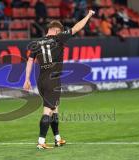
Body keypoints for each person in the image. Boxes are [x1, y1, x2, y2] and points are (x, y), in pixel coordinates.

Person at [23, 10, 95, 149]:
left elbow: (30, 61)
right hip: (53, 80)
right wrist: (88, 15)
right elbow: (77, 27)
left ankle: (57, 138)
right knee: (48, 111)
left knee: (55, 109)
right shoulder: (58, 38)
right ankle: (41, 142)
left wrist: (27, 79)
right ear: (57, 31)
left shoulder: (36, 43)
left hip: (41, 80)